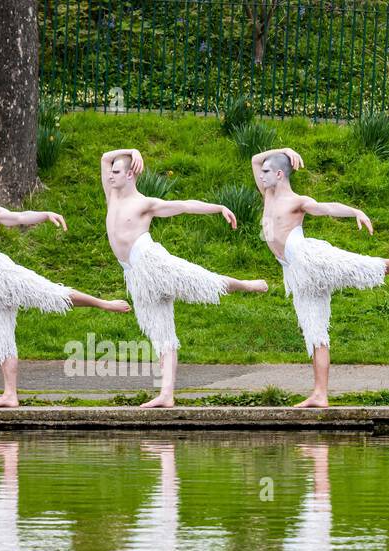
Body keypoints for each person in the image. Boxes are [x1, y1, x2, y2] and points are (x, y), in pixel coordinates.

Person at [252, 147, 389, 408]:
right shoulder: (267, 192)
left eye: (267, 172)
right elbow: (255, 159)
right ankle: (320, 394)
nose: (261, 175)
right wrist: (286, 149)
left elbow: (326, 208)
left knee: (359, 268)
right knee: (315, 333)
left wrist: (355, 211)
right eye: (262, 173)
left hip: (308, 257)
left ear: (279, 174)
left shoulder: (296, 201)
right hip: (295, 272)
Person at [0, 157, 130, 408]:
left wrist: (45, 214)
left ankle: (102, 303)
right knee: (1, 340)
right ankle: (10, 394)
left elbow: (19, 217)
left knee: (51, 294)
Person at [102, 147, 268, 408]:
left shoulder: (144, 203)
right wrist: (132, 150)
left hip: (154, 264)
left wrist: (218, 207)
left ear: (130, 174)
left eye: (116, 172)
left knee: (204, 282)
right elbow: (104, 157)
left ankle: (245, 284)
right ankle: (166, 394)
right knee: (162, 336)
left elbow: (184, 206)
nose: (110, 176)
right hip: (135, 277)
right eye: (110, 173)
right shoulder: (111, 196)